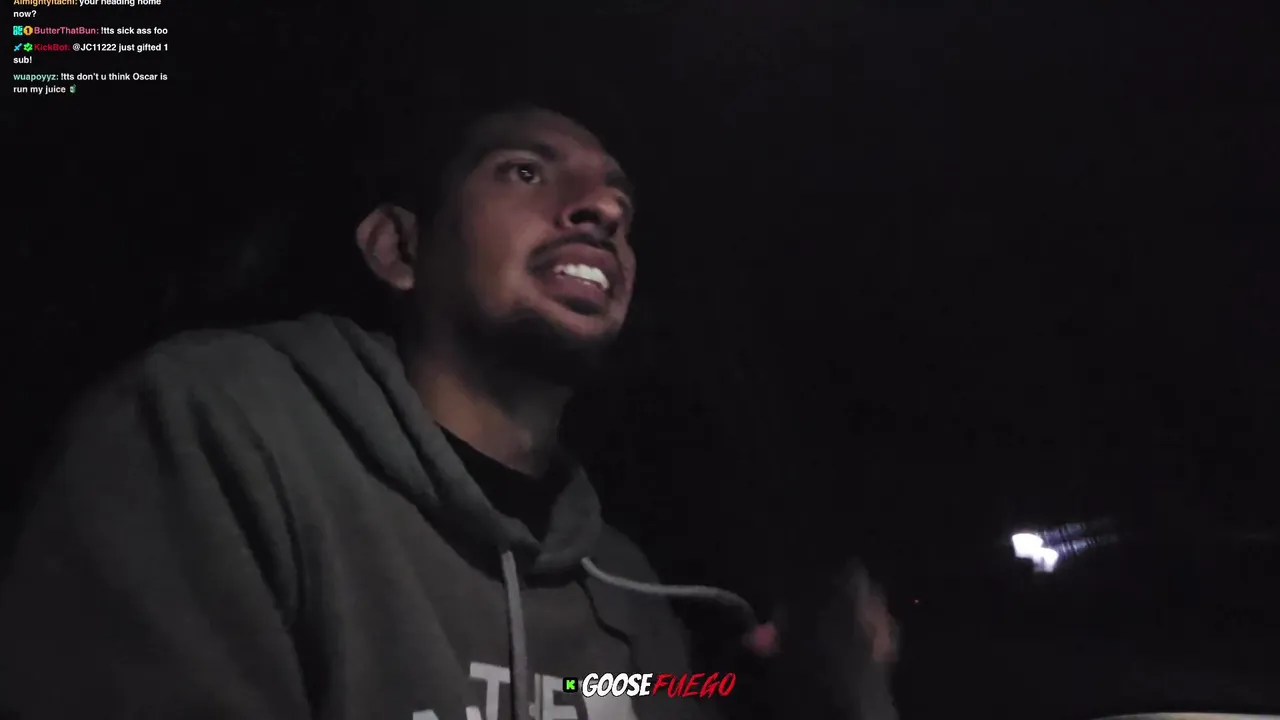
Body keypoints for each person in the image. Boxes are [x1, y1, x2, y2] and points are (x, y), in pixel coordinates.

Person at [0, 105, 896, 720]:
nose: (604, 210)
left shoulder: (624, 583)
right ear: (400, 247)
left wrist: (802, 686)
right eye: (525, 171)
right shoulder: (214, 432)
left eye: (620, 206)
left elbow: (633, 693)